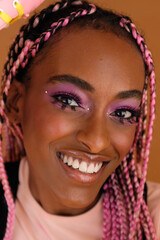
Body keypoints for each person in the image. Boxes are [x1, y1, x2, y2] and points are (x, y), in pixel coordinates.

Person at [0, 0, 159, 239]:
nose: (96, 141)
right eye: (68, 102)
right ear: (15, 102)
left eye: (123, 113)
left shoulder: (154, 217)